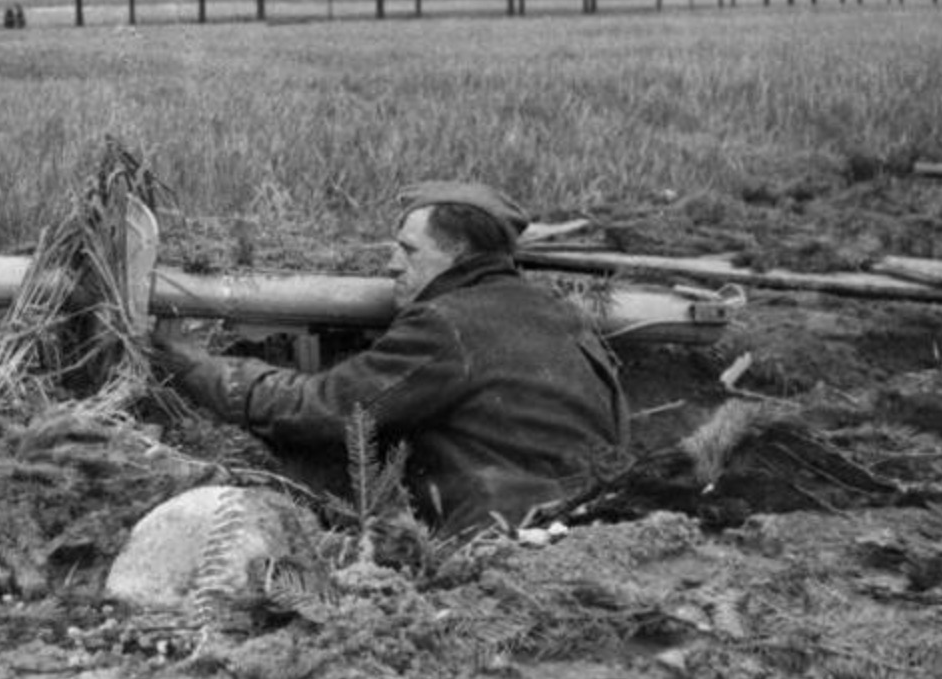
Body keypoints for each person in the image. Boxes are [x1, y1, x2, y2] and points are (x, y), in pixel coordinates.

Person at [151, 180, 630, 536]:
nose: (391, 265)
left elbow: (323, 410)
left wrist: (199, 370)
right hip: (590, 527)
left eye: (408, 250)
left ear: (457, 254)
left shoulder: (449, 323)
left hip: (503, 538)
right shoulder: (561, 313)